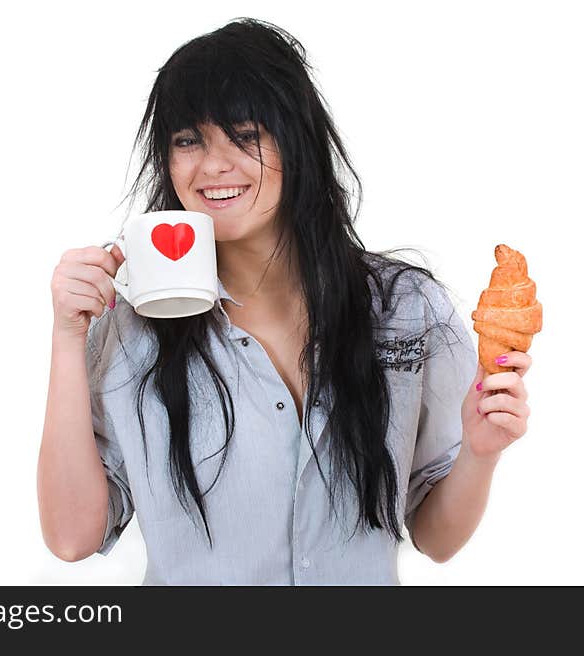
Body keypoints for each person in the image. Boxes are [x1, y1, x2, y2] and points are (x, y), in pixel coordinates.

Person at [37, 18, 533, 585]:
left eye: (244, 134)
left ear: (295, 142)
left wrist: (480, 450)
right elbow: (73, 537)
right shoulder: (132, 329)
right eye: (187, 140)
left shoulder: (405, 309)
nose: (214, 165)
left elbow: (436, 539)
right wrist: (66, 336)